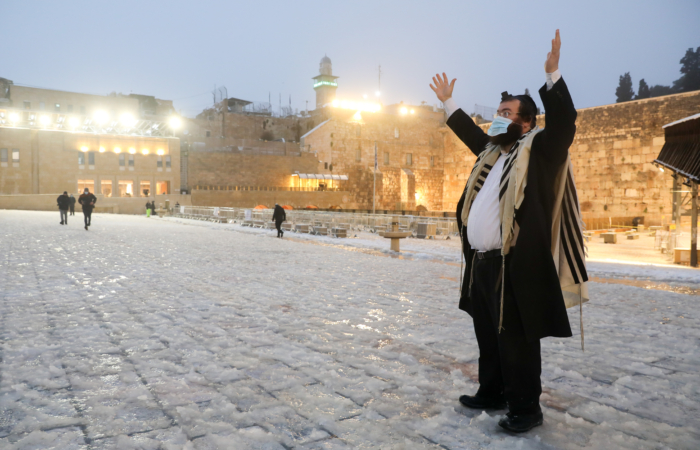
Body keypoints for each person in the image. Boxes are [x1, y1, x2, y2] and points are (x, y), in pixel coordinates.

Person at [430, 30, 588, 433]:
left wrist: (553, 76)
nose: (498, 117)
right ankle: (493, 390)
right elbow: (471, 133)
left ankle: (525, 408)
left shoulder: (539, 151)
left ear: (527, 121)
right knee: (487, 333)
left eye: (506, 112)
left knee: (516, 339)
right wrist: (448, 102)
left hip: (514, 264)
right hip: (481, 262)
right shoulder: (492, 151)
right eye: (498, 111)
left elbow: (565, 126)